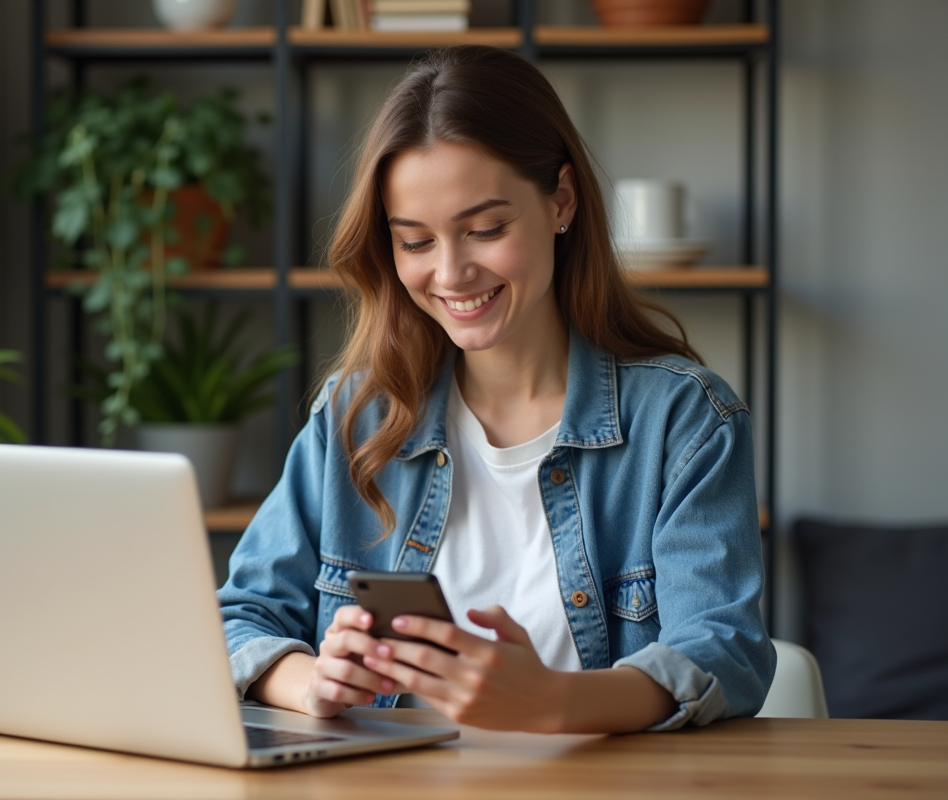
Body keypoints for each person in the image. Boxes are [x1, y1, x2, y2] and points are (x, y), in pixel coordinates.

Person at [218, 45, 775, 734]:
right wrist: (313, 683)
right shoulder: (355, 416)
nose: (451, 274)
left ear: (561, 201)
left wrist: (549, 702)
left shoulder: (684, 420)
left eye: (485, 230)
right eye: (415, 242)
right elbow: (238, 616)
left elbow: (726, 652)